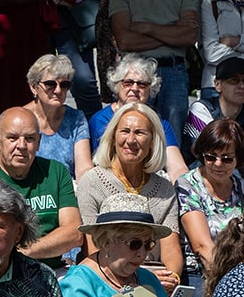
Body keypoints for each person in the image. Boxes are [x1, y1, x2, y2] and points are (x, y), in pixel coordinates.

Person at [78, 94, 183, 286]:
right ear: (112, 136)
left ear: (152, 142)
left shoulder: (165, 189)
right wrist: (138, 278)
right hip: (106, 278)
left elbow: (172, 249)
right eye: (125, 131)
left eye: (140, 133)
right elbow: (93, 248)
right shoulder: (92, 182)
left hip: (158, 277)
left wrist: (172, 278)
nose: (131, 140)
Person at [107, 0, 198, 138]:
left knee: (172, 136)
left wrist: (146, 27)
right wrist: (171, 31)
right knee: (134, 132)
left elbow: (188, 37)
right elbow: (124, 40)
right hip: (135, 74)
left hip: (174, 72)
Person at [0, 104, 83, 263]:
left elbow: (74, 233)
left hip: (51, 271)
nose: (21, 146)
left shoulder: (55, 172)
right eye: (12, 138)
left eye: (29, 138)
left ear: (39, 141)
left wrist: (21, 251)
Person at [60, 204, 184, 297]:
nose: (143, 254)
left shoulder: (148, 278)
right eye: (134, 244)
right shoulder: (77, 285)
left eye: (148, 244)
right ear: (106, 242)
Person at [177, 117, 244, 288]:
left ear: (238, 159)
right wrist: (232, 286)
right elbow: (202, 246)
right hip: (198, 272)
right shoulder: (188, 185)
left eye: (227, 159)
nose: (218, 164)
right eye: (211, 157)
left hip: (241, 272)